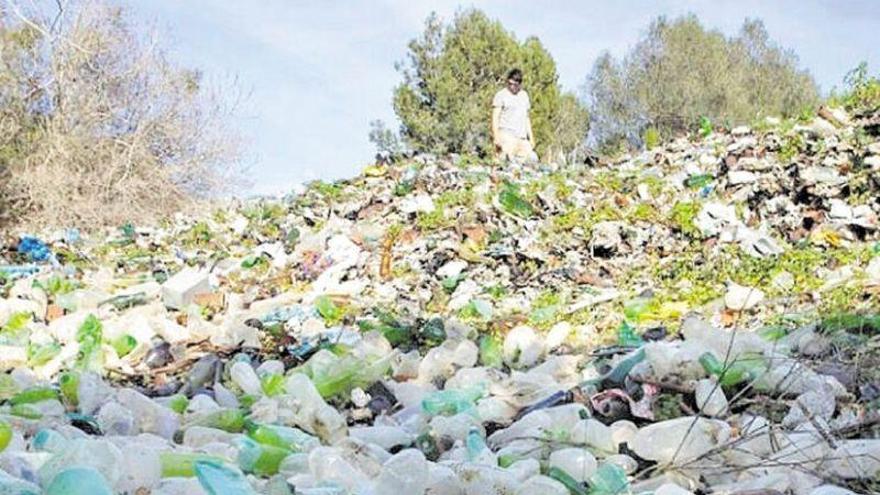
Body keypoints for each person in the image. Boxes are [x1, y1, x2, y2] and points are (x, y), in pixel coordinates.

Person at [491, 68, 538, 163]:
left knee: (532, 159)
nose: (512, 87)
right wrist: (496, 137)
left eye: (515, 85)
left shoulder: (524, 96)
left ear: (519, 84)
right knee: (504, 160)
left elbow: (526, 118)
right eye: (510, 84)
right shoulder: (501, 95)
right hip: (506, 134)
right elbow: (495, 117)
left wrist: (531, 138)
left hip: (522, 137)